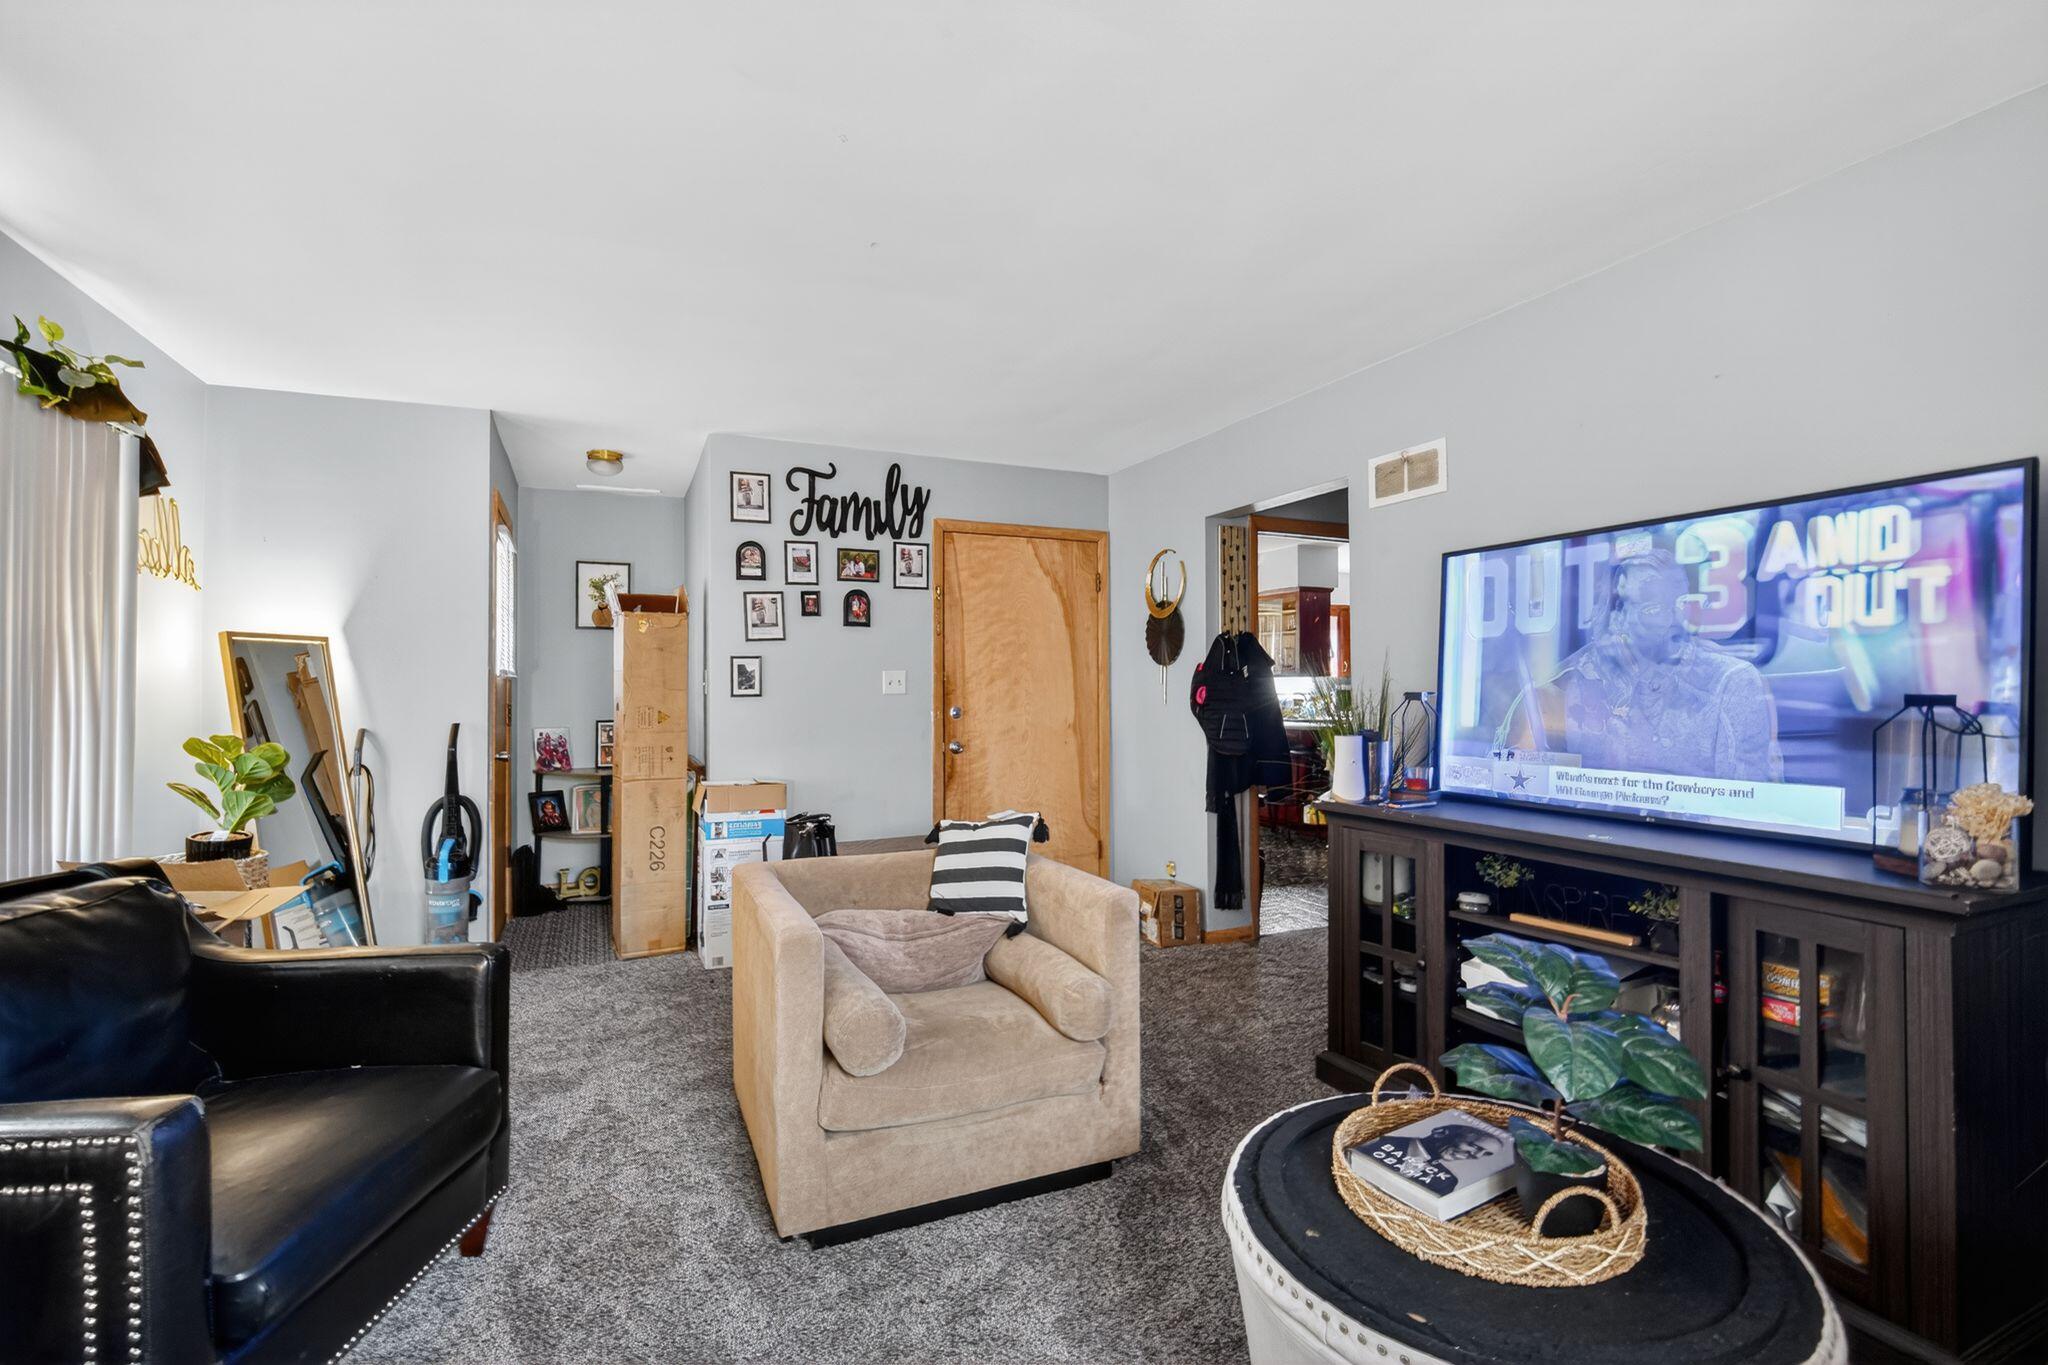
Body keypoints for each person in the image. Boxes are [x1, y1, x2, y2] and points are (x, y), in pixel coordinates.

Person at [1496, 550, 1782, 781]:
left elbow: (1756, 806)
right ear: (1614, 617)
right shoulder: (1558, 690)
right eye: (1653, 609)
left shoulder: (1731, 683)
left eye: (1683, 605)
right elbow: (1511, 786)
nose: (1674, 622)